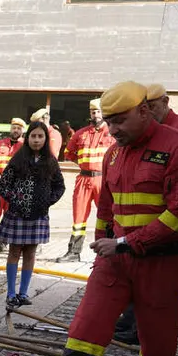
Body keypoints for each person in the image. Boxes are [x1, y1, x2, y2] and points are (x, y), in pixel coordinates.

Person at [42, 81, 178, 356]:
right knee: (84, 333)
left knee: (158, 347)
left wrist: (128, 243)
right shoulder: (114, 154)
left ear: (145, 110)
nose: (113, 130)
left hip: (161, 265)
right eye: (109, 122)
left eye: (120, 121)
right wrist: (104, 245)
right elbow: (107, 207)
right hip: (115, 263)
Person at [113, 83, 178, 345]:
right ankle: (129, 324)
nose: (148, 112)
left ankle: (143, 333)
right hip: (138, 220)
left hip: (165, 220)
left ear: (166, 102)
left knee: (156, 281)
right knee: (134, 268)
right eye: (144, 108)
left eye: (152, 106)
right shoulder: (146, 133)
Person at [0, 121, 66, 307]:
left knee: (30, 252)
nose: (36, 140)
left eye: (40, 136)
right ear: (27, 138)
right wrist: (17, 200)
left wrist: (46, 201)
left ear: (45, 138)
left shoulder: (50, 161)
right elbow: (4, 185)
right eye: (33, 136)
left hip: (39, 215)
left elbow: (60, 186)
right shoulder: (18, 159)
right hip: (17, 214)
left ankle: (23, 292)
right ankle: (11, 293)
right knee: (15, 251)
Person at [59, 99, 114, 262]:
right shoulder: (81, 133)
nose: (95, 114)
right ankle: (74, 252)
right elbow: (69, 153)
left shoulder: (112, 132)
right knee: (78, 217)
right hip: (83, 178)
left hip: (103, 179)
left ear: (103, 112)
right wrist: (82, 164)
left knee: (107, 216)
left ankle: (108, 251)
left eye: (98, 111)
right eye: (92, 112)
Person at [0, 119, 25, 240]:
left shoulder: (26, 146)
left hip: (15, 188)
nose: (16, 130)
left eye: (19, 128)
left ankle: (5, 241)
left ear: (23, 130)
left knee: (11, 214)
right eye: (14, 127)